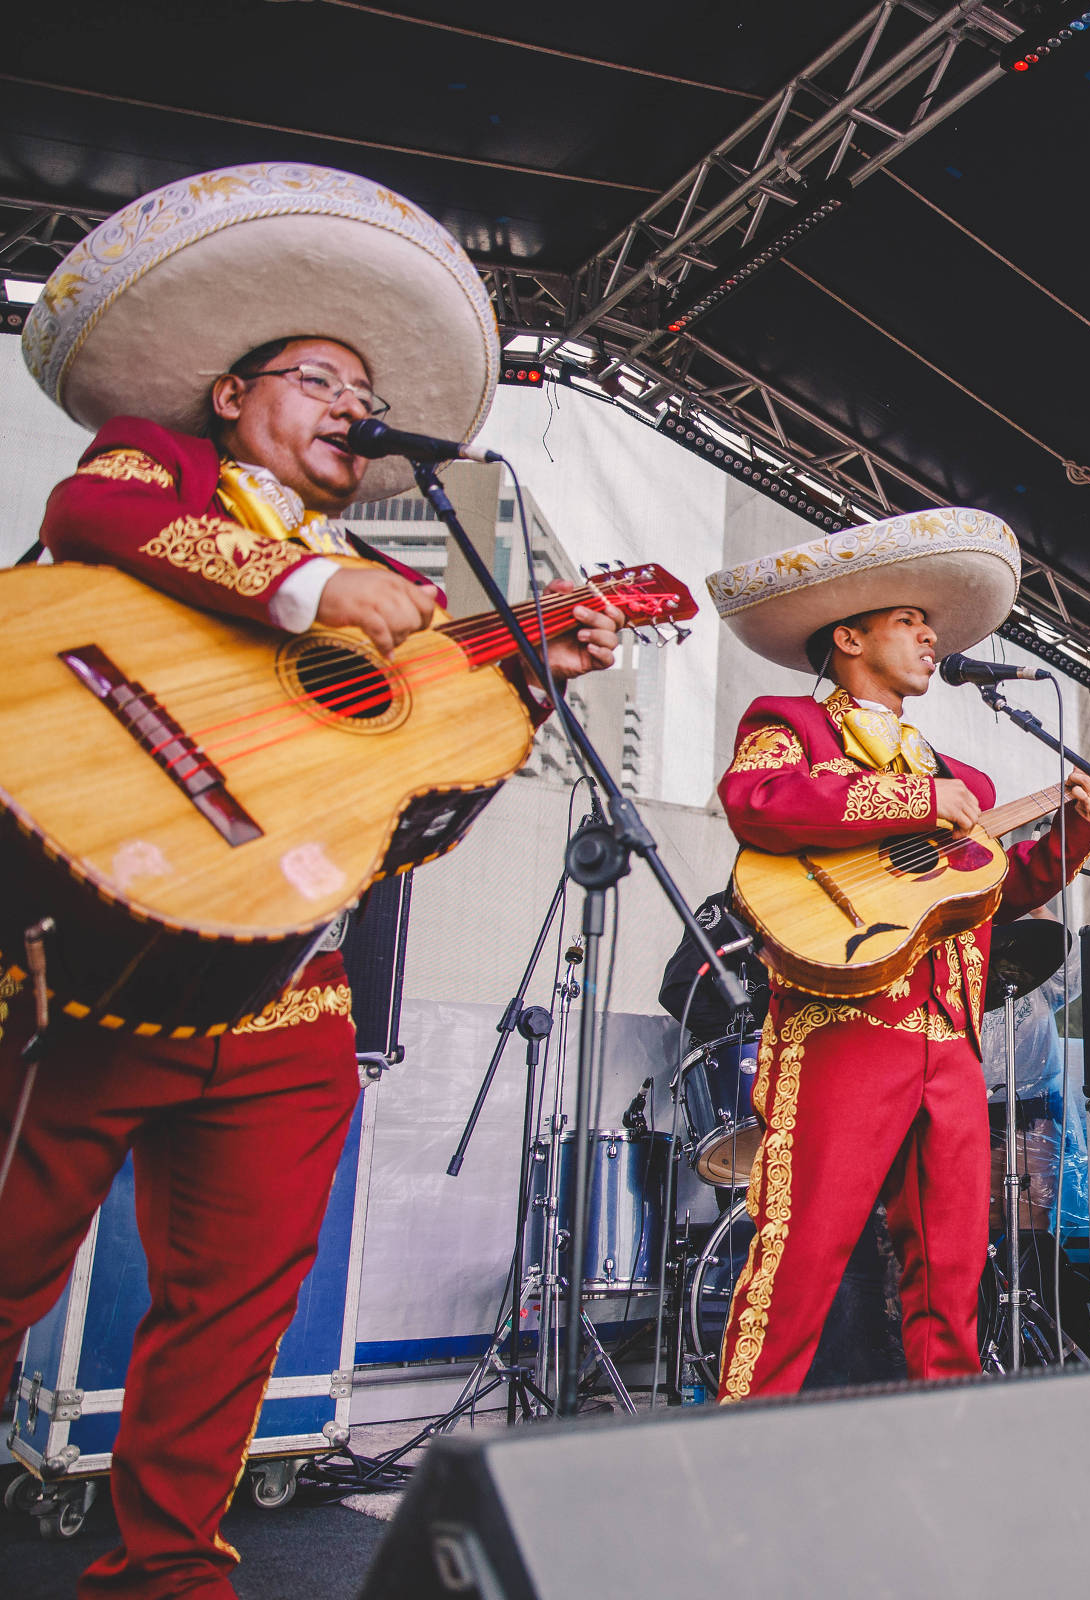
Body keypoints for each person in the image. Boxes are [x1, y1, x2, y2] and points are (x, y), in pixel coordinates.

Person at [0, 164, 620, 1600]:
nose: (353, 401)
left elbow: (395, 821)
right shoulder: (167, 467)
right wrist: (303, 590)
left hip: (289, 993)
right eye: (320, 376)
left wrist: (512, 693)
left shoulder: (387, 597)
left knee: (232, 1309)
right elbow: (91, 515)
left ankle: (169, 1570)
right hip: (91, 962)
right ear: (232, 393)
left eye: (365, 389)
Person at [702, 509, 1090, 1397]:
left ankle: (946, 1447)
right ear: (848, 638)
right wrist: (917, 803)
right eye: (909, 623)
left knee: (956, 1267)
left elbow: (992, 897)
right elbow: (758, 799)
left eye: (933, 627)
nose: (931, 637)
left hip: (950, 1043)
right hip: (844, 1025)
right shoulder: (790, 725)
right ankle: (736, 1446)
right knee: (802, 1248)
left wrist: (1074, 835)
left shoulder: (973, 783)